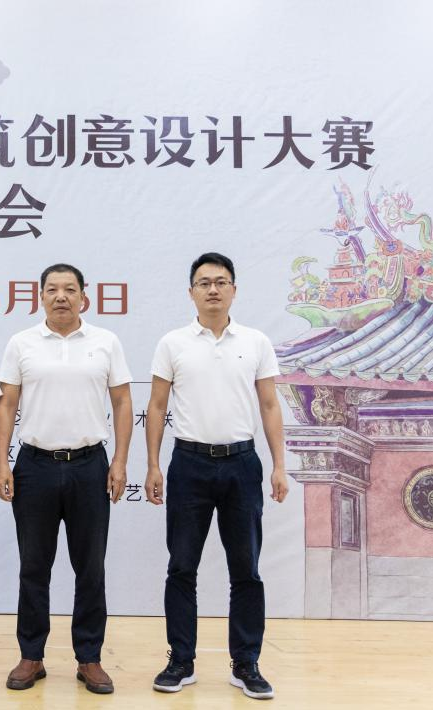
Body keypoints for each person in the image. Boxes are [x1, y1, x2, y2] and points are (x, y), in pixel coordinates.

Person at [144, 252, 288, 700]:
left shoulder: (256, 342)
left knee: (246, 570)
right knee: (181, 567)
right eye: (204, 282)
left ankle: (246, 664)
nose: (212, 289)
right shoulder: (173, 343)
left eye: (221, 282)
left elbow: (269, 405)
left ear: (234, 290)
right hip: (189, 465)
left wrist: (279, 465)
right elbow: (157, 406)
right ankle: (180, 660)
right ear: (191, 292)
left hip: (242, 464)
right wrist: (153, 464)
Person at [0, 263, 134, 695]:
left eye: (69, 289)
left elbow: (123, 402)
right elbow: (5, 404)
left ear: (83, 297)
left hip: (89, 465)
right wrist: (2, 463)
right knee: (33, 566)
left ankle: (89, 658)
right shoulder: (22, 343)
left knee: (90, 567)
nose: (61, 297)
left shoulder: (105, 342)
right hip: (34, 466)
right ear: (40, 297)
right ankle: (31, 655)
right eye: (52, 289)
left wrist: (120, 461)